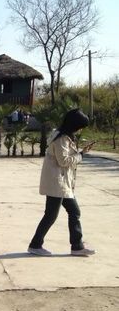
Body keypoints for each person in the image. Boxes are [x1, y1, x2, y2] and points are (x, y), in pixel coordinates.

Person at [28, 108, 95, 257]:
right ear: (75, 125)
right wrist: (81, 155)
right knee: (51, 215)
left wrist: (81, 152)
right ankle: (35, 245)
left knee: (74, 212)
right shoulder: (61, 139)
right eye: (81, 126)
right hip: (57, 183)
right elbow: (63, 161)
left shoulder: (64, 136)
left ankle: (77, 246)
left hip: (63, 183)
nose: (81, 130)